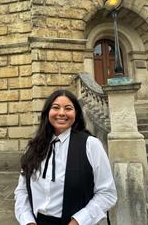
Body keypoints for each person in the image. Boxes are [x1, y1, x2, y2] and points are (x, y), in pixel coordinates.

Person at [14, 89, 117, 225]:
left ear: (76, 114)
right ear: (47, 113)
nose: (61, 113)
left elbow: (107, 193)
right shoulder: (34, 147)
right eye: (55, 108)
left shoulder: (90, 145)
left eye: (68, 108)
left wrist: (78, 221)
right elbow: (22, 191)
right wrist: (28, 221)